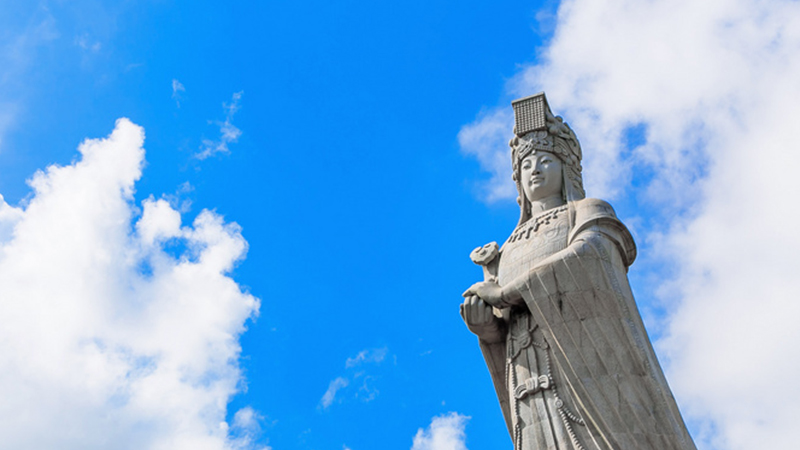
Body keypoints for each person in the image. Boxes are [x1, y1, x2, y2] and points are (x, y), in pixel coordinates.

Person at [460, 93, 696, 450]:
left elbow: (591, 255)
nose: (534, 170)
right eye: (526, 165)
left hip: (584, 368)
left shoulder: (586, 212)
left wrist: (507, 292)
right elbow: (503, 323)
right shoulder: (506, 248)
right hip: (528, 380)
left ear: (565, 168)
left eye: (545, 161)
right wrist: (486, 327)